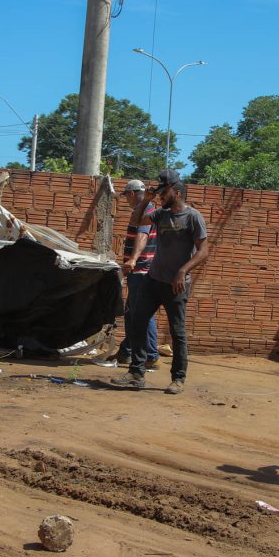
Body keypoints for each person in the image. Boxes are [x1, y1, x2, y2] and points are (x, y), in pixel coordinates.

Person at [112, 169, 208, 394]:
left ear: (176, 192)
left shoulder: (192, 217)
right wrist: (146, 199)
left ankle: (178, 379)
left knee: (177, 331)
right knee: (137, 320)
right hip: (153, 280)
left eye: (163, 193)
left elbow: (203, 251)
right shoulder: (160, 215)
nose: (160, 197)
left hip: (176, 284)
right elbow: (137, 221)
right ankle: (136, 374)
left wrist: (182, 271)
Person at [115, 179, 160, 369]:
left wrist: (132, 260)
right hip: (142, 269)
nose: (126, 199)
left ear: (132, 193)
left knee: (141, 312)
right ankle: (127, 350)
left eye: (126, 195)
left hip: (141, 269)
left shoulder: (145, 211)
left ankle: (150, 354)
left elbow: (142, 235)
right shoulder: (148, 210)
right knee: (132, 312)